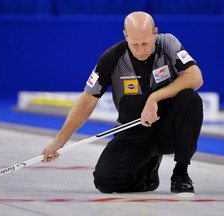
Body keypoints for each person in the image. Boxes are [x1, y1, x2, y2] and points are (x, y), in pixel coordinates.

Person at [41, 11, 203, 194]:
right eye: (134, 44)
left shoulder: (169, 44)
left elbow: (195, 77)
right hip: (135, 130)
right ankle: (147, 170)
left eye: (145, 43)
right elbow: (88, 98)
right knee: (105, 181)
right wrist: (60, 140)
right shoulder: (112, 58)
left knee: (190, 99)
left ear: (155, 33)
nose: (141, 50)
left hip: (168, 129)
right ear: (125, 35)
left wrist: (154, 98)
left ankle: (181, 172)